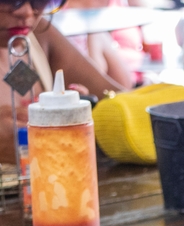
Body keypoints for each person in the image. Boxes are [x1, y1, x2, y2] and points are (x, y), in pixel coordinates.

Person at [0, 0, 125, 162]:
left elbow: (118, 98)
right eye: (11, 0)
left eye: (40, 1)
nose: (27, 12)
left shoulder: (39, 35)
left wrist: (85, 111)